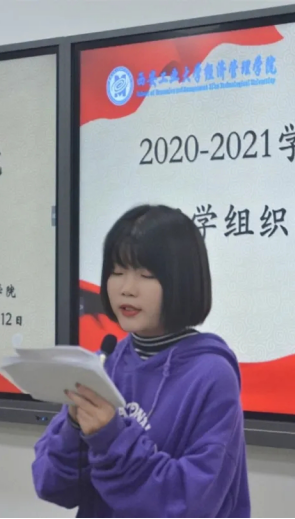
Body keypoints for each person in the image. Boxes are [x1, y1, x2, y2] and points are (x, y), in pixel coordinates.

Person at [32, 204, 250, 518]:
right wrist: (74, 426)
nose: (126, 289)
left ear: (182, 281)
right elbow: (52, 485)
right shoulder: (105, 363)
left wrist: (110, 438)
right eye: (117, 272)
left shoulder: (212, 375)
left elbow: (190, 504)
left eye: (146, 275)